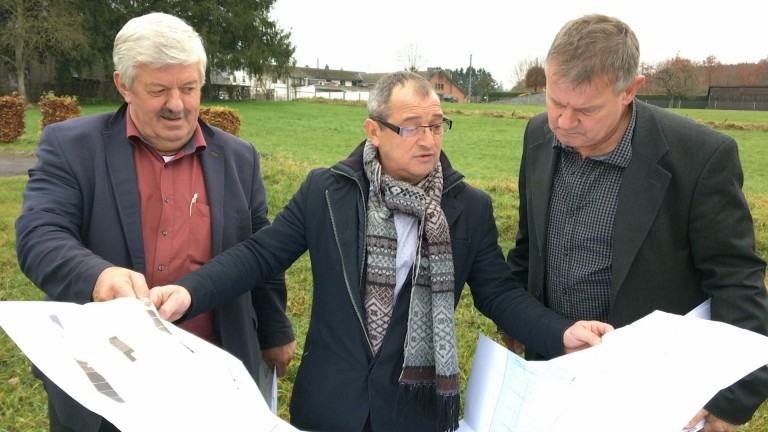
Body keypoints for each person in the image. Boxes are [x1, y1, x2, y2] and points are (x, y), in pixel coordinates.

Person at [149, 70, 613, 432]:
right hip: (331, 408)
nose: (429, 141)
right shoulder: (326, 193)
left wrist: (562, 332)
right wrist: (188, 293)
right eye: (412, 128)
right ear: (374, 130)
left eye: (437, 125)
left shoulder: (467, 207)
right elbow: (258, 256)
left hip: (413, 412)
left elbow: (498, 294)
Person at [15, 12, 296, 432]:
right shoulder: (72, 146)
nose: (177, 105)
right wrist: (98, 276)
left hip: (213, 371)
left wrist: (274, 333)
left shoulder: (239, 158)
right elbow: (40, 234)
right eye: (159, 89)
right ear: (123, 85)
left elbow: (261, 254)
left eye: (189, 88)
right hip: (104, 381)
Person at [504, 13, 768, 432]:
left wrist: (730, 401)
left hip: (652, 395)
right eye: (556, 101)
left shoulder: (700, 157)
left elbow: (736, 278)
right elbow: (528, 242)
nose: (564, 122)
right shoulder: (538, 135)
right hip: (552, 371)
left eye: (586, 109)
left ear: (631, 90)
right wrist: (520, 321)